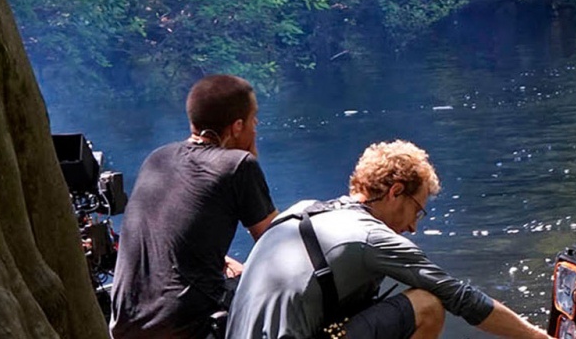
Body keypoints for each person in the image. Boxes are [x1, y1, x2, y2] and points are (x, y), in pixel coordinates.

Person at [225, 141, 552, 339]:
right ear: (396, 192)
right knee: (427, 305)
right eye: (417, 211)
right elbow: (461, 298)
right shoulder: (370, 236)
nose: (413, 227)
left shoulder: (301, 211)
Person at [111, 75, 279, 339]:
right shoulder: (237, 165)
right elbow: (277, 244)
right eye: (253, 117)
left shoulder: (158, 158)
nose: (256, 125)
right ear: (237, 126)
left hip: (125, 323)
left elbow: (169, 233)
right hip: (187, 327)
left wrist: (221, 262)